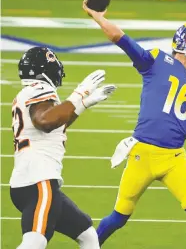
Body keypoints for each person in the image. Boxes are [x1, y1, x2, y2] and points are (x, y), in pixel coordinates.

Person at [82, 0, 186, 248]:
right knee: (118, 217)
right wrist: (97, 16)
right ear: (180, 39)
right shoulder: (157, 60)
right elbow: (121, 39)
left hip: (174, 158)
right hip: (143, 153)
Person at [10, 47, 116, 249]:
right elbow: (45, 122)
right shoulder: (41, 90)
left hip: (30, 181)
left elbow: (55, 127)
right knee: (34, 242)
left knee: (87, 235)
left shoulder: (27, 92)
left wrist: (83, 104)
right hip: (39, 181)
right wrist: (79, 94)